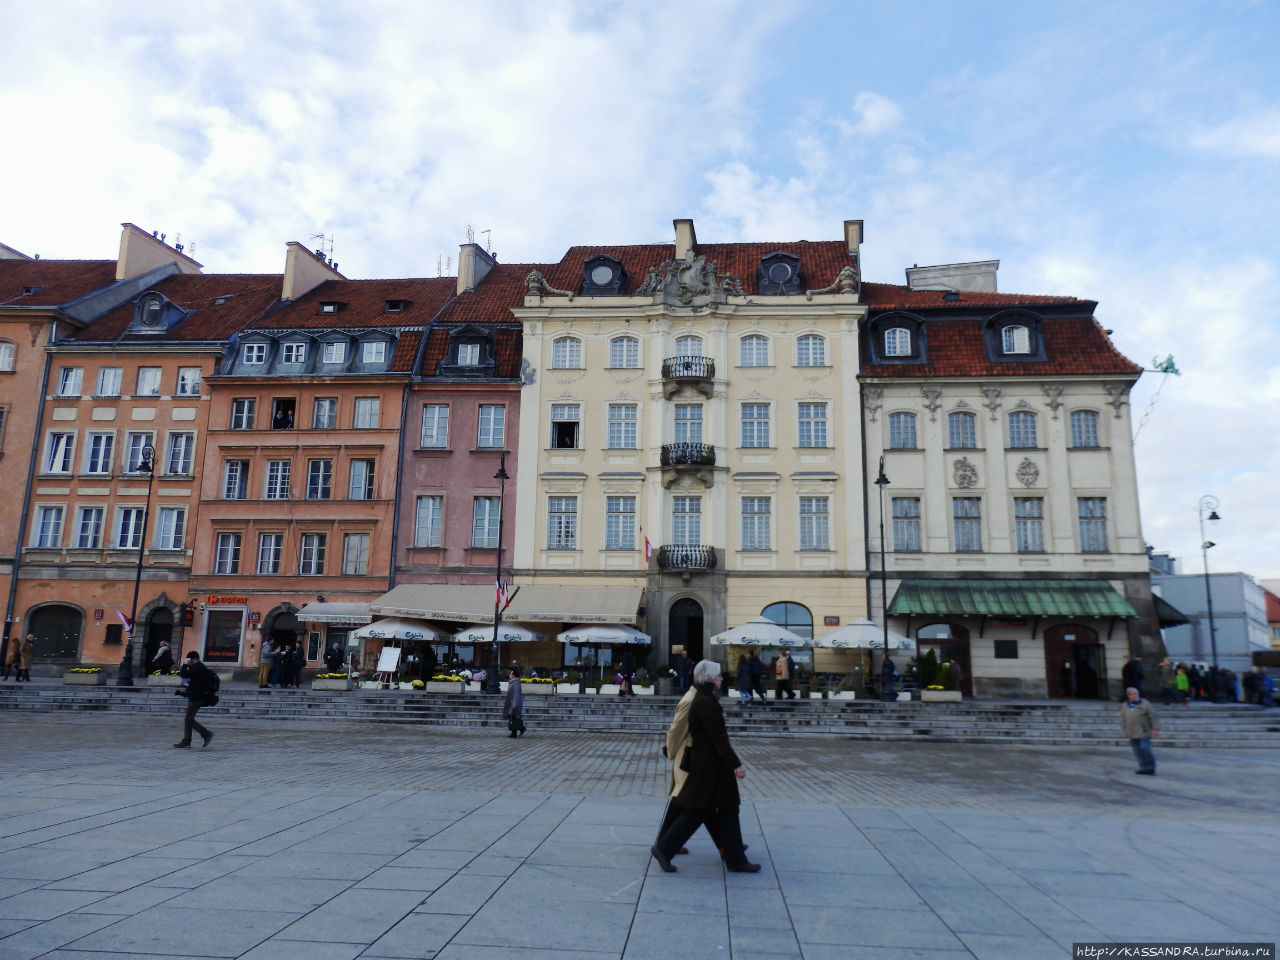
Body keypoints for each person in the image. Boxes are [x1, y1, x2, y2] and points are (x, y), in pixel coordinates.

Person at [651, 659, 759, 873]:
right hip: (710, 766)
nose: (722, 678)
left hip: (711, 764)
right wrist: (736, 764)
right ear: (710, 678)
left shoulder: (705, 699)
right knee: (699, 810)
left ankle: (734, 857)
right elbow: (717, 738)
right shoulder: (702, 702)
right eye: (718, 675)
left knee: (726, 808)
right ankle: (665, 848)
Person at [175, 651, 216, 749]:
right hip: (195, 696)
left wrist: (185, 664)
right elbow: (193, 684)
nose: (188, 661)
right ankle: (187, 740)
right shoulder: (197, 668)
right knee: (188, 719)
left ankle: (206, 734)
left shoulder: (199, 668)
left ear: (192, 659)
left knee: (189, 719)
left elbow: (183, 674)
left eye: (188, 659)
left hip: (198, 697)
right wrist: (183, 693)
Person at [1120, 686, 1158, 775]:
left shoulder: (1145, 703)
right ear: (1128, 696)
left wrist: (1155, 728)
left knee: (1145, 748)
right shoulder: (1125, 705)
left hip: (1143, 731)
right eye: (1131, 694)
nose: (1133, 695)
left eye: (1135, 693)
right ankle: (1143, 767)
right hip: (1131, 731)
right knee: (1137, 751)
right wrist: (1123, 727)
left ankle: (1150, 767)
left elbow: (1153, 716)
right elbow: (1122, 717)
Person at [503, 668, 525, 737]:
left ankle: (522, 728)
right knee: (512, 717)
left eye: (511, 673)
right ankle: (514, 733)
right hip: (512, 702)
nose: (509, 674)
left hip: (514, 703)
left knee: (514, 717)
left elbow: (516, 693)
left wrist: (515, 703)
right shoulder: (513, 681)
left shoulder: (515, 682)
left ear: (514, 675)